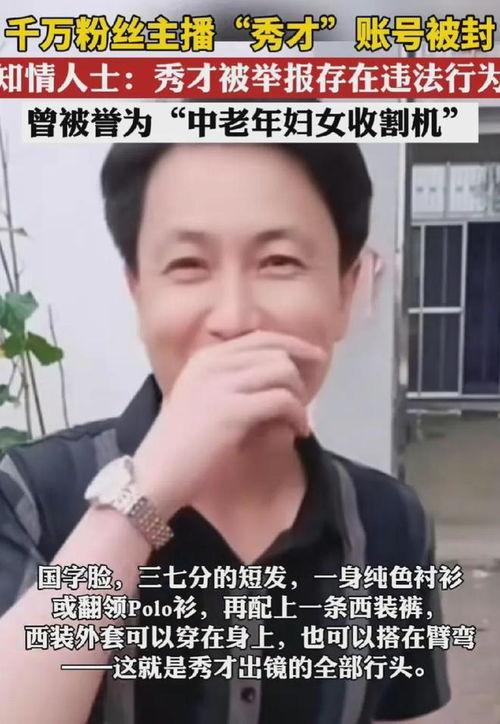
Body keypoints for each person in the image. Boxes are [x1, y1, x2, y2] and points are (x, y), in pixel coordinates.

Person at [0, 142, 450, 724]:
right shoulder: (31, 497)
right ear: (138, 292)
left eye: (279, 261)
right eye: (189, 265)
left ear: (346, 290)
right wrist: (143, 495)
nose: (235, 319)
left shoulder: (389, 520)